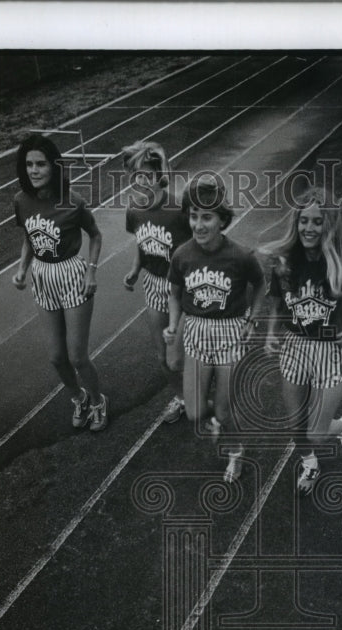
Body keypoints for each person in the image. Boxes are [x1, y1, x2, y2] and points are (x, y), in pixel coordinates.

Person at [262, 186, 342, 494]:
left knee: (315, 432)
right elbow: (277, 302)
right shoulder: (284, 261)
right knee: (296, 428)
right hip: (295, 347)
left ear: (329, 224)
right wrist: (273, 333)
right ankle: (310, 463)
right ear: (296, 222)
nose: (309, 228)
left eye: (317, 221)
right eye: (304, 220)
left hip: (331, 351)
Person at [165, 172, 264, 483]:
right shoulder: (182, 255)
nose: (198, 225)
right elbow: (174, 291)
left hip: (230, 333)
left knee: (223, 412)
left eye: (206, 217)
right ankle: (226, 419)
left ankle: (235, 451)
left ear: (222, 219)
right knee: (195, 412)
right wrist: (172, 324)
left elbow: (261, 285)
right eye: (193, 216)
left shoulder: (240, 255)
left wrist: (252, 319)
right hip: (196, 331)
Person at [12, 133, 108, 431]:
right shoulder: (21, 200)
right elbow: (29, 237)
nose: (34, 170)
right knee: (56, 357)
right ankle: (77, 397)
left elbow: (95, 235)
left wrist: (92, 271)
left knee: (77, 356)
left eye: (41, 164)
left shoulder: (72, 201)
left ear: (54, 167)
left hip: (71, 275)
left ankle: (97, 400)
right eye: (29, 164)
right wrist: (22, 267)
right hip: (43, 276)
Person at [122, 141, 190, 423]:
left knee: (186, 354)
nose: (142, 181)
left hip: (184, 287)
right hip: (153, 283)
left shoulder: (178, 209)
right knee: (163, 357)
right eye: (137, 175)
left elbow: (197, 249)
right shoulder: (134, 211)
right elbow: (141, 242)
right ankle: (183, 398)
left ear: (160, 174)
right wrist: (136, 270)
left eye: (147, 174)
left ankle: (206, 389)